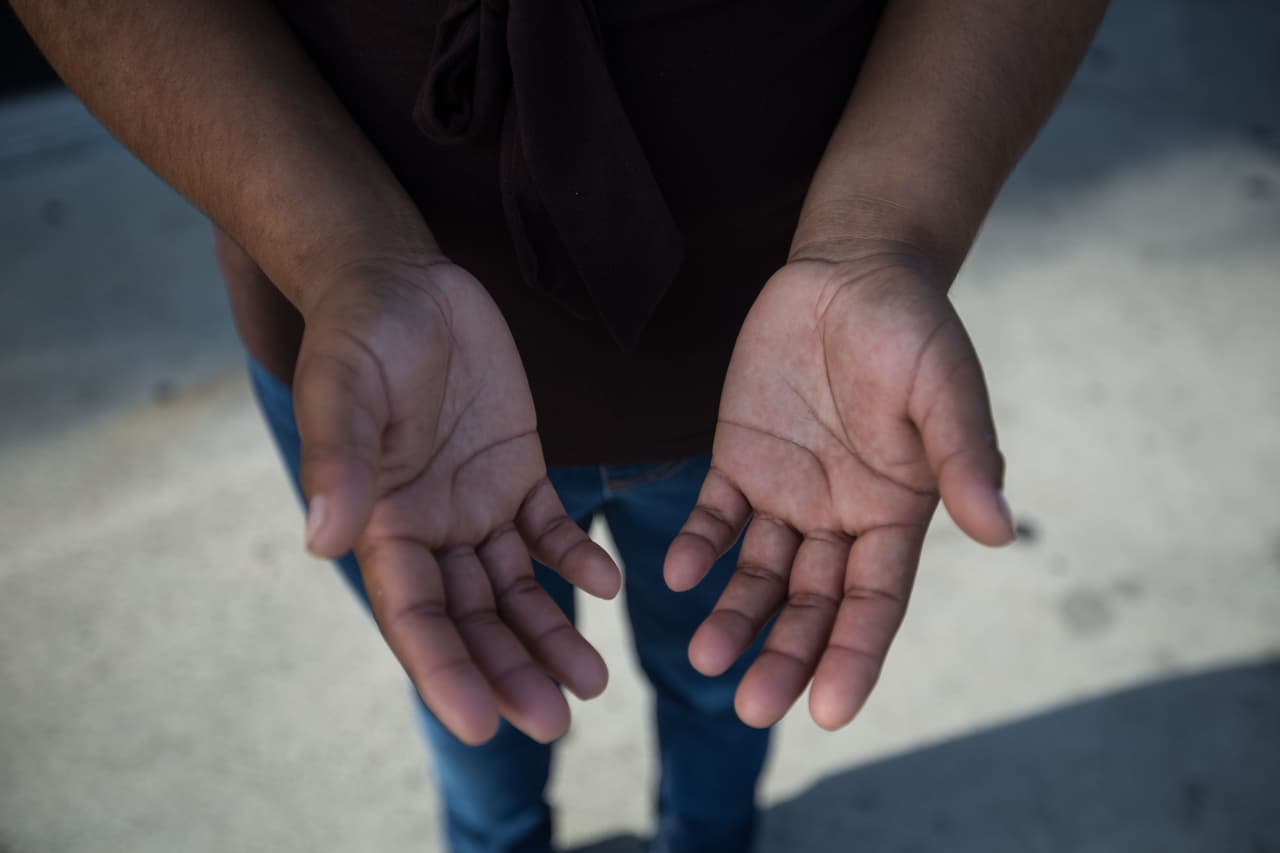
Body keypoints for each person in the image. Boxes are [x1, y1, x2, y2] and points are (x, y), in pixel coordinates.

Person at [14, 1, 1109, 850]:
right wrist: (350, 257)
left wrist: (884, 236)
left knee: (729, 685)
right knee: (470, 690)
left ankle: (709, 838)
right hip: (374, 361)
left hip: (782, 370)